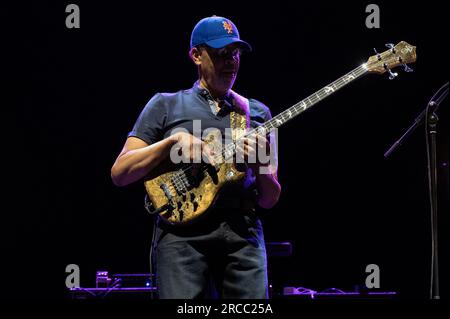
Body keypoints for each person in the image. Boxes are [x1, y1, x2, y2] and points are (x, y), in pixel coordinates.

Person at [111, 16, 281, 299]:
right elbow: (121, 173)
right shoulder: (165, 104)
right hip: (181, 237)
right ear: (196, 55)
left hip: (243, 234)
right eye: (220, 53)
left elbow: (270, 198)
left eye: (235, 54)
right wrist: (171, 143)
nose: (230, 62)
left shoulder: (257, 113)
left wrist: (261, 167)